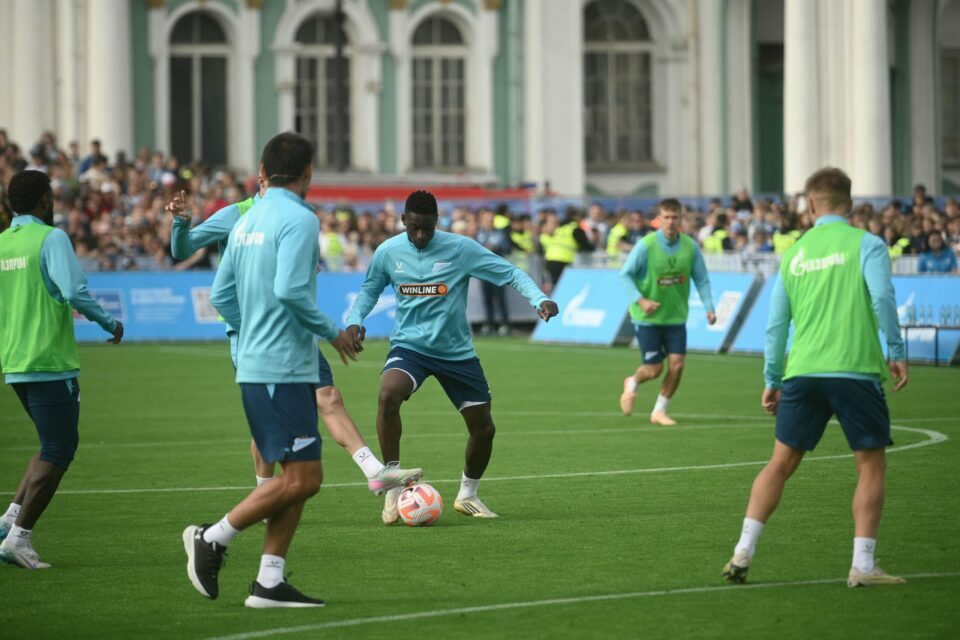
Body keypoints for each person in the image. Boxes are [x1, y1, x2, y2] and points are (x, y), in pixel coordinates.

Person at [184, 132, 356, 607]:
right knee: (306, 478)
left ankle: (269, 582)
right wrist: (334, 332)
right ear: (308, 173)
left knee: (296, 475)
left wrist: (251, 330)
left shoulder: (247, 220)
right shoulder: (300, 218)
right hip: (283, 367)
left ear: (263, 171)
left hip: (257, 362)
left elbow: (220, 295)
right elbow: (291, 291)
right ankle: (212, 538)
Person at [166, 182, 417, 499]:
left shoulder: (295, 216)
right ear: (263, 180)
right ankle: (264, 495)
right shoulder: (237, 215)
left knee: (328, 397)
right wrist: (181, 221)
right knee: (269, 420)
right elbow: (183, 250)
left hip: (293, 328)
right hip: (254, 336)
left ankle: (374, 472)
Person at [722, 167, 909, 588]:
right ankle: (862, 565)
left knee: (780, 464)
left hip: (802, 371)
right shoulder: (867, 244)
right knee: (870, 465)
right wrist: (897, 352)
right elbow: (882, 297)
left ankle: (743, 550)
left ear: (810, 205)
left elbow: (775, 325)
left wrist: (773, 377)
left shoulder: (795, 253)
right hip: (854, 369)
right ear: (850, 203)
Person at [346, 190, 559, 522]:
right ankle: (392, 482)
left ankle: (468, 495)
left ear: (437, 221)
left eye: (427, 228)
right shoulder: (388, 252)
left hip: (455, 353)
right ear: (403, 221)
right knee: (388, 393)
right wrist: (355, 320)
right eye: (414, 227)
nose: (420, 235)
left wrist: (539, 298)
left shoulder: (460, 249)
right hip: (410, 348)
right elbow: (369, 290)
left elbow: (510, 272)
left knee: (484, 429)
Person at [0, 170, 124, 569]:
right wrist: (110, 323)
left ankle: (9, 520)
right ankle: (19, 539)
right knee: (59, 449)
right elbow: (73, 291)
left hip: (14, 362)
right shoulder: (51, 238)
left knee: (48, 444)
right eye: (50, 196)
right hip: (49, 361)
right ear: (44, 201)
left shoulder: (2, 243)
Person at [618, 198, 716, 425]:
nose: (671, 222)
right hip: (648, 318)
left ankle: (659, 411)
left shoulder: (690, 247)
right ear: (659, 219)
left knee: (677, 365)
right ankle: (633, 381)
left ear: (680, 219)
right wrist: (641, 300)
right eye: (666, 217)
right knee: (654, 369)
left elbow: (702, 279)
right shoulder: (646, 245)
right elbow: (625, 275)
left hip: (676, 318)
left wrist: (709, 307)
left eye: (675, 217)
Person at [475, 208, 514, 336]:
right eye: (486, 218)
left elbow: (508, 248)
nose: (488, 221)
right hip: (484, 271)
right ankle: (489, 324)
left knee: (500, 298)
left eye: (490, 218)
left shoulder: (500, 233)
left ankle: (505, 324)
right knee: (487, 298)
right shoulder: (479, 233)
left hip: (497, 270)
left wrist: (496, 248)